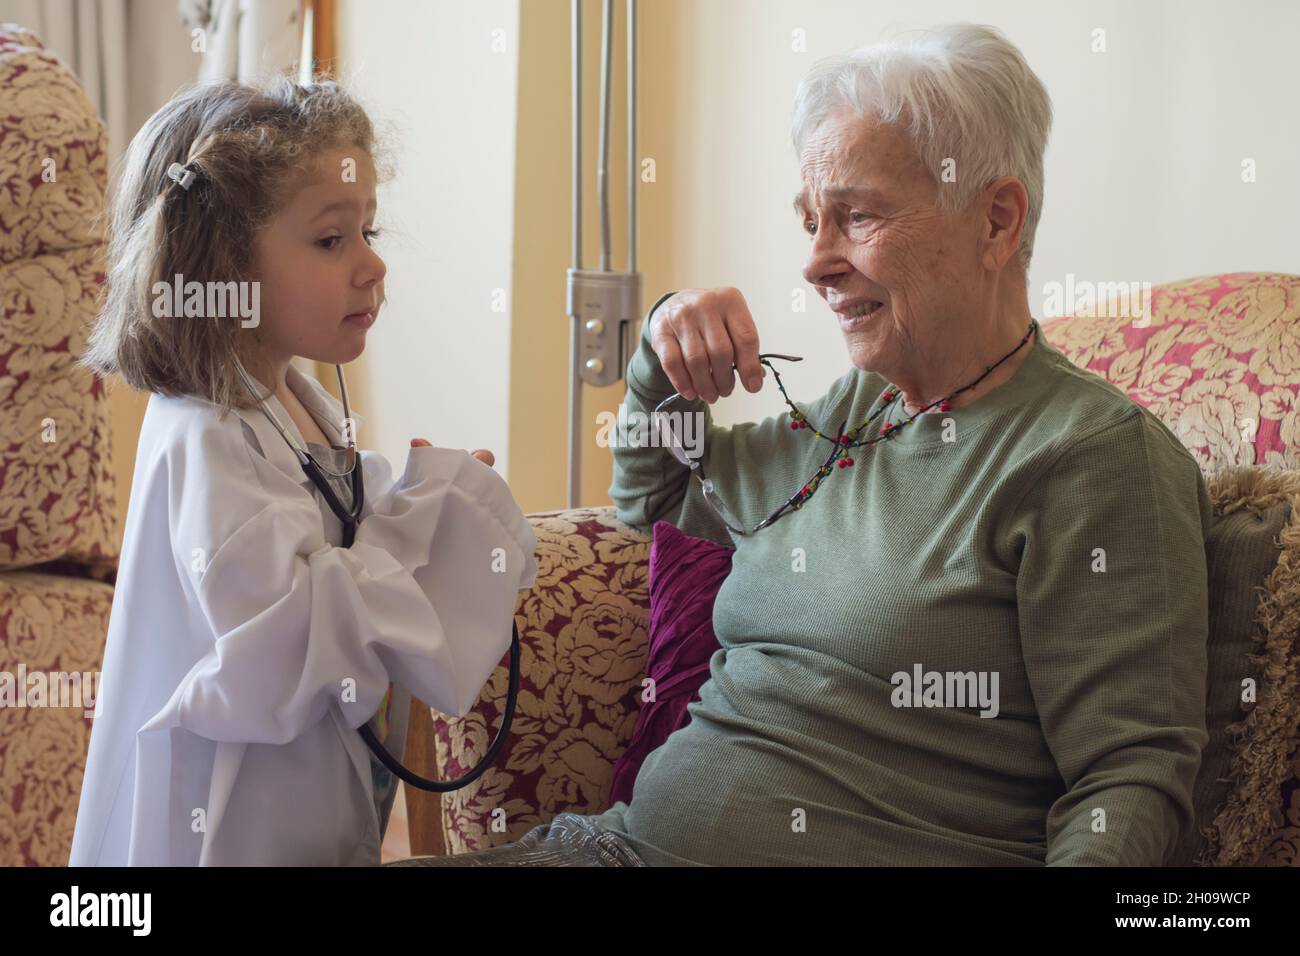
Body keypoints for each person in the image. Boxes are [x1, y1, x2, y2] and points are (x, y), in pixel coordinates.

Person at [392, 23, 1210, 867]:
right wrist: (662, 354)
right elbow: (660, 501)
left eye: (856, 216)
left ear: (996, 220)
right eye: (810, 220)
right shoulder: (855, 412)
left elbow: (1129, 778)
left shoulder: (1093, 457)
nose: (817, 263)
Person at [70, 76, 537, 866]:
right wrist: (429, 532)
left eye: (369, 230)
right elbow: (282, 642)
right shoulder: (204, 433)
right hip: (225, 828)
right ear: (221, 265)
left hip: (310, 807)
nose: (372, 265)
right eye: (331, 240)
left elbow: (341, 539)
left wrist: (427, 511)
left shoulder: (293, 397)